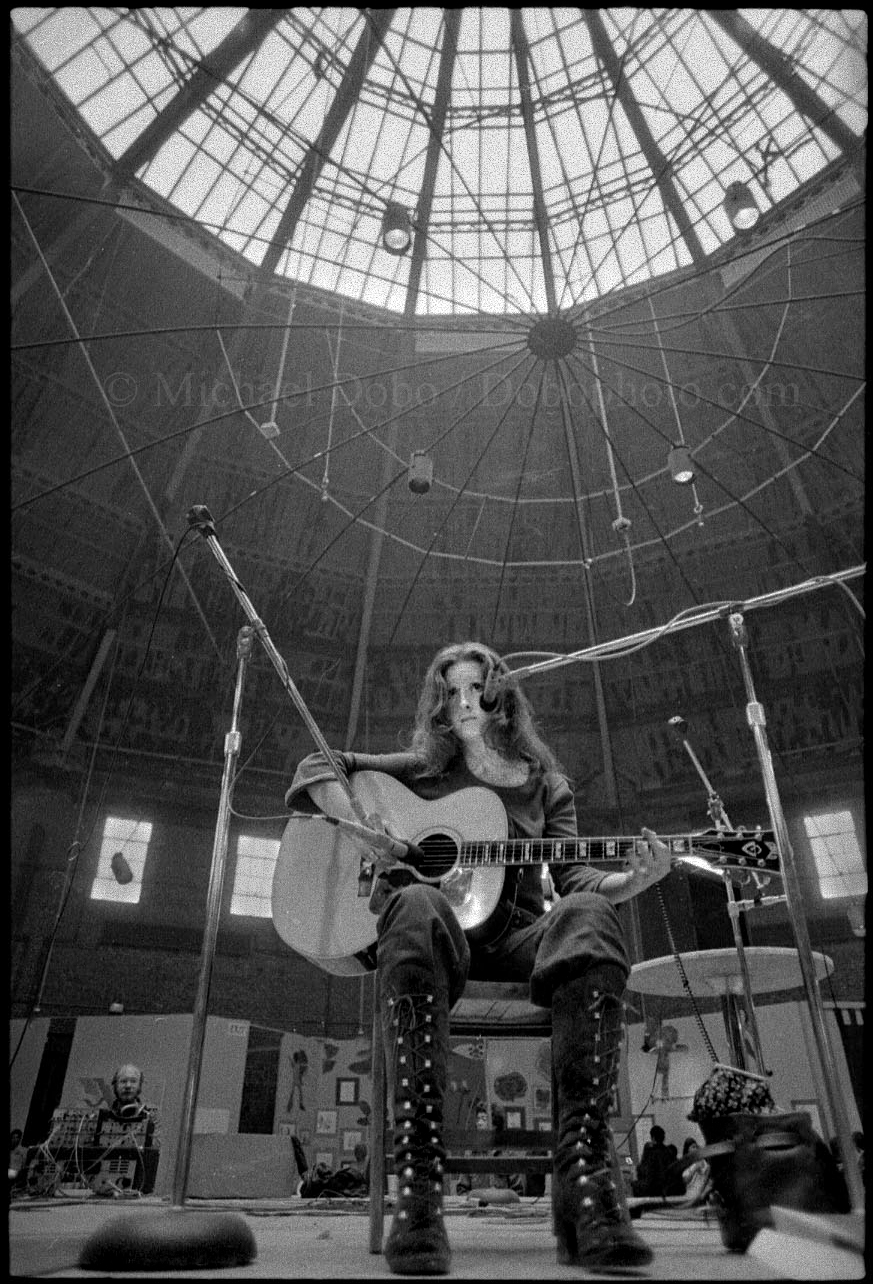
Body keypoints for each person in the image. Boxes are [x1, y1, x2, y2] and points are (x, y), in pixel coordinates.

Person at [286, 640, 674, 1274]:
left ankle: (586, 1175)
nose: (464, 703)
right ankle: (419, 1184)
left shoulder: (546, 785)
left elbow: (574, 880)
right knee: (415, 902)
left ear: (503, 700)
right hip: (439, 944)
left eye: (476, 690)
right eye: (451, 694)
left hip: (520, 942)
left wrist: (630, 882)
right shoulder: (421, 771)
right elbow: (314, 767)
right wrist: (362, 827)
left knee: (590, 916)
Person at [455, 1106, 524, 1199]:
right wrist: (473, 1201)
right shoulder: (470, 1153)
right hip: (477, 1206)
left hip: (503, 1206)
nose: (479, 1123)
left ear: (495, 1125)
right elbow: (462, 1190)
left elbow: (517, 1191)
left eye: (484, 1119)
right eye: (478, 1119)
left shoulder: (508, 1154)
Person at [632, 1125, 684, 1198]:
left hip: (657, 1189)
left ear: (653, 1138)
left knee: (634, 1185)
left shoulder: (652, 1153)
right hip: (673, 1189)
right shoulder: (670, 1152)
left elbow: (647, 1174)